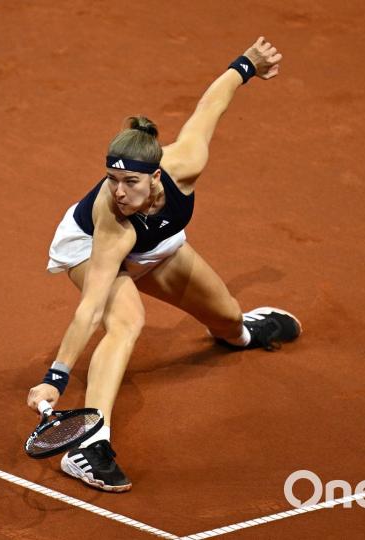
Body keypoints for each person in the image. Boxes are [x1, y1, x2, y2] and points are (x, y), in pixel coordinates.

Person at [26, 37, 301, 493]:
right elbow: (90, 309)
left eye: (129, 181)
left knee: (230, 317)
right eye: (111, 179)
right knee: (126, 321)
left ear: (155, 176)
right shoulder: (112, 220)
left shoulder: (185, 164)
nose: (117, 191)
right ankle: (89, 445)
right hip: (89, 250)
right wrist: (56, 376)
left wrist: (246, 65)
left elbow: (209, 107)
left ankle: (243, 335)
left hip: (158, 243)